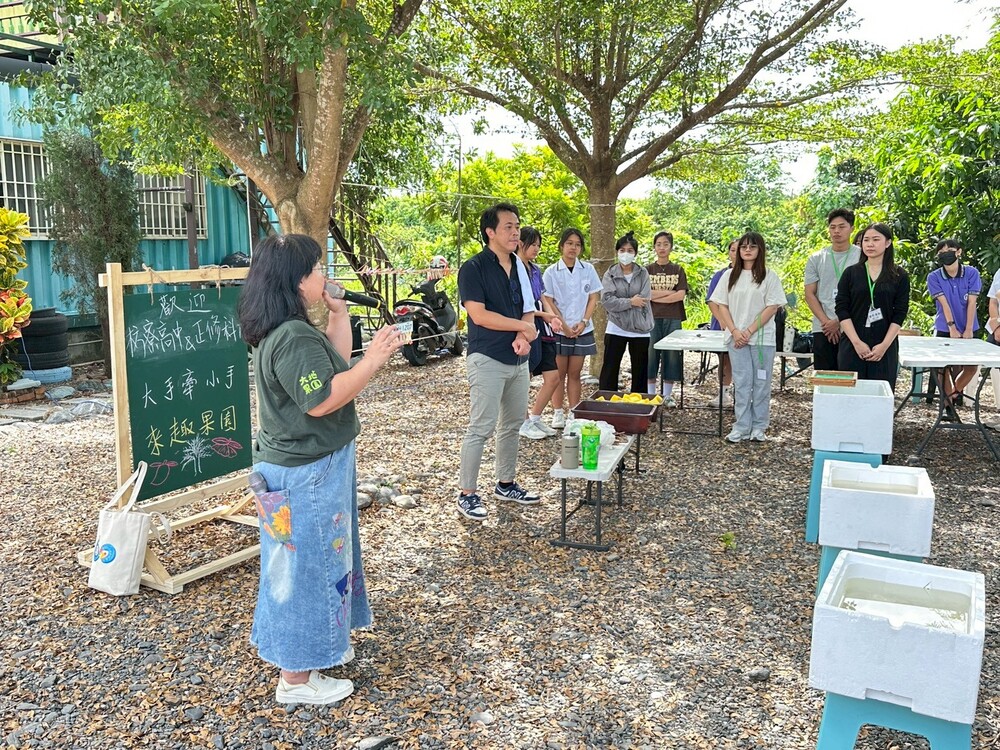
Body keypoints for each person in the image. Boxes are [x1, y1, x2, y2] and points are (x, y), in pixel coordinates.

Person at [238, 233, 408, 705]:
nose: (323, 275)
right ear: (296, 280)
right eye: (316, 269)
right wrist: (375, 359)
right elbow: (322, 399)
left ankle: (314, 651)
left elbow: (331, 367)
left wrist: (339, 314)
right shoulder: (291, 336)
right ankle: (296, 680)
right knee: (307, 570)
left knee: (307, 562)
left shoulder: (285, 328)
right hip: (306, 472)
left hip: (298, 468)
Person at [457, 202, 540, 521]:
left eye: (517, 226)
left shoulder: (520, 266)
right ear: (490, 232)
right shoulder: (473, 268)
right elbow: (479, 315)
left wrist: (523, 335)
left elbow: (528, 308)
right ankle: (467, 493)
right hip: (487, 357)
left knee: (512, 425)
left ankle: (506, 483)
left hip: (518, 358)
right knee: (481, 426)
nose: (516, 232)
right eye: (508, 226)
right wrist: (522, 327)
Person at [709, 232, 787, 443]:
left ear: (760, 249)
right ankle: (741, 426)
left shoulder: (769, 276)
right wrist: (735, 331)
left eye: (752, 246)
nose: (747, 250)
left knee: (761, 382)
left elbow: (772, 306)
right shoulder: (729, 276)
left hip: (762, 339)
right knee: (742, 382)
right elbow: (721, 305)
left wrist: (750, 330)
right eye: (743, 247)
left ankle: (759, 426)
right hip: (736, 339)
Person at [835, 223, 910, 391]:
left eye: (876, 240)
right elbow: (841, 309)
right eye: (866, 240)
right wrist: (857, 343)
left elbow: (900, 312)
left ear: (888, 243)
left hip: (884, 344)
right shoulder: (851, 273)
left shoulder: (899, 275)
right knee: (850, 394)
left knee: (880, 395)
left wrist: (884, 346)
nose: (870, 244)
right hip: (853, 343)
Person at [543, 228, 602, 424]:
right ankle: (558, 412)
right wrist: (564, 326)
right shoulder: (551, 272)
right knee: (558, 373)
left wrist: (584, 322)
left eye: (577, 244)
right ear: (562, 246)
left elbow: (593, 297)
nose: (573, 248)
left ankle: (574, 413)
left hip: (582, 329)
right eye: (569, 243)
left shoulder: (588, 269)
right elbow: (548, 301)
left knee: (575, 373)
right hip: (560, 329)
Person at [517, 226, 565, 439]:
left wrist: (552, 317)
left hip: (543, 328)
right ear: (521, 244)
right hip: (525, 324)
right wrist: (545, 315)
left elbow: (543, 297)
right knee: (524, 377)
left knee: (553, 377)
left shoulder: (535, 270)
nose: (536, 249)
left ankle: (535, 418)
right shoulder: (513, 268)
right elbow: (521, 305)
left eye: (538, 245)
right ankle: (522, 421)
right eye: (532, 244)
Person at [927, 238, 981, 410]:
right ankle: (948, 406)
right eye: (941, 252)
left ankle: (951, 396)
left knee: (971, 367)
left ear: (958, 252)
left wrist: (968, 329)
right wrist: (952, 327)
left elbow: (972, 302)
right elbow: (944, 304)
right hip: (944, 327)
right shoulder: (934, 277)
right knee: (942, 368)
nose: (946, 254)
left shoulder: (972, 273)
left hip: (969, 327)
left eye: (949, 250)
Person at [804, 208, 861, 371]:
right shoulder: (816, 258)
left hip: (853, 326)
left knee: (850, 375)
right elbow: (809, 294)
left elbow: (863, 295)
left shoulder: (862, 257)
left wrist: (839, 321)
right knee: (824, 375)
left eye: (842, 226)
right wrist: (827, 322)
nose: (836, 231)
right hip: (823, 327)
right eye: (832, 227)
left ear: (852, 228)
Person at [598, 231, 653, 392]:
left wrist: (622, 302)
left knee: (640, 371)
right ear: (617, 252)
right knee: (610, 369)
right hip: (616, 326)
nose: (625, 254)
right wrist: (630, 302)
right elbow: (607, 300)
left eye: (630, 250)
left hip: (640, 327)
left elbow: (644, 298)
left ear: (635, 253)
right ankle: (606, 402)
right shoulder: (610, 274)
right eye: (622, 250)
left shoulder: (643, 273)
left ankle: (638, 404)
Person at [646, 231, 688, 404]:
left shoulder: (678, 269)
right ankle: (651, 395)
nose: (662, 248)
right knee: (650, 353)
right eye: (658, 244)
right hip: (651, 317)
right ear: (654, 247)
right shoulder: (647, 270)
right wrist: (669, 293)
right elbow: (645, 294)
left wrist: (658, 296)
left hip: (673, 317)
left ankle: (667, 395)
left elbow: (680, 295)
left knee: (672, 354)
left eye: (665, 244)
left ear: (671, 247)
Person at [705, 240, 739, 407]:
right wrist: (723, 321)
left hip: (744, 326)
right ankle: (723, 393)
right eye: (732, 250)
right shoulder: (720, 275)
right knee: (724, 360)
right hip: (722, 326)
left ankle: (741, 394)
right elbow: (712, 301)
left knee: (742, 361)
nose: (736, 253)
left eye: (739, 249)